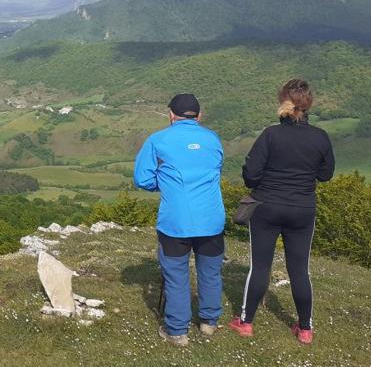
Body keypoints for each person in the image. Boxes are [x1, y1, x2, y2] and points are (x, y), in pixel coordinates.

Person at [229, 79, 335, 345]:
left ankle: (245, 322)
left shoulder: (270, 135)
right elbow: (325, 175)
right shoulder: (320, 137)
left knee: (260, 266)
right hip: (302, 208)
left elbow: (251, 175)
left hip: (267, 206)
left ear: (282, 101)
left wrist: (260, 183)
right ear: (309, 103)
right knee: (299, 269)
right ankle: (305, 328)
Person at [134, 93, 225, 347]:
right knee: (210, 272)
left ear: (171, 115)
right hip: (211, 219)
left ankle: (177, 332)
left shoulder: (158, 140)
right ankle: (208, 323)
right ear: (199, 115)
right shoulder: (212, 139)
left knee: (176, 275)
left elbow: (142, 179)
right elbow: (216, 168)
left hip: (175, 221)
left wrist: (164, 185)